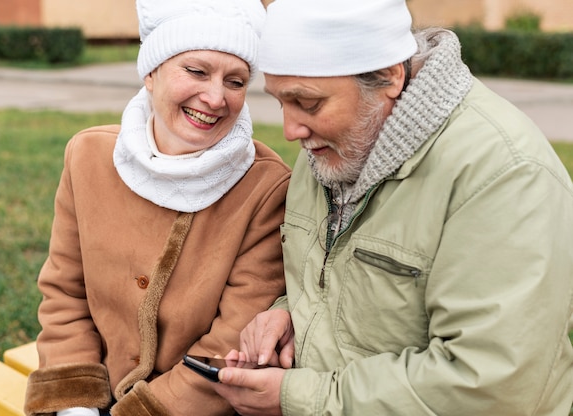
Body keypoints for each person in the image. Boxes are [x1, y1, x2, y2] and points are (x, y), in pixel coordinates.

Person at [213, 0, 573, 414]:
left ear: (389, 77)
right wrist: (288, 316)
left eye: (308, 104)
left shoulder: (505, 176)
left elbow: (492, 385)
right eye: (280, 101)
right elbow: (339, 282)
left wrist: (302, 398)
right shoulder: (331, 149)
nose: (292, 129)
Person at [23, 0, 290, 415]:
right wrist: (76, 405)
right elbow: (64, 294)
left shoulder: (266, 187)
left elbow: (233, 341)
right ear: (151, 71)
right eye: (196, 71)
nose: (216, 97)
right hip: (93, 395)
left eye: (236, 81)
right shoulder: (88, 156)